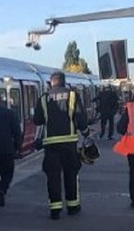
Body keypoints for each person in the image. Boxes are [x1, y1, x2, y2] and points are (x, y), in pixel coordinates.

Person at [33, 71, 89, 220]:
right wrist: (86, 132)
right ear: (64, 82)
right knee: (71, 174)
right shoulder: (72, 96)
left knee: (53, 176)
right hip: (69, 143)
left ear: (52, 82)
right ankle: (72, 206)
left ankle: (55, 209)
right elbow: (80, 118)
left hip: (50, 144)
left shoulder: (44, 99)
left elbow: (37, 120)